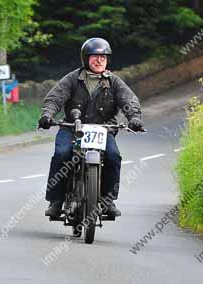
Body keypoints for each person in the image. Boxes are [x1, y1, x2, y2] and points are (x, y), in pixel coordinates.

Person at [38, 37, 144, 219]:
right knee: (62, 154)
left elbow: (130, 101)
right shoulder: (72, 79)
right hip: (72, 128)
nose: (99, 60)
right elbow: (55, 98)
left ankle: (107, 200)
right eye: (95, 56)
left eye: (103, 57)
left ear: (107, 60)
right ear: (86, 59)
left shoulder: (114, 82)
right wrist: (47, 116)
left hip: (103, 131)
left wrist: (134, 118)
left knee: (113, 156)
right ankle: (56, 200)